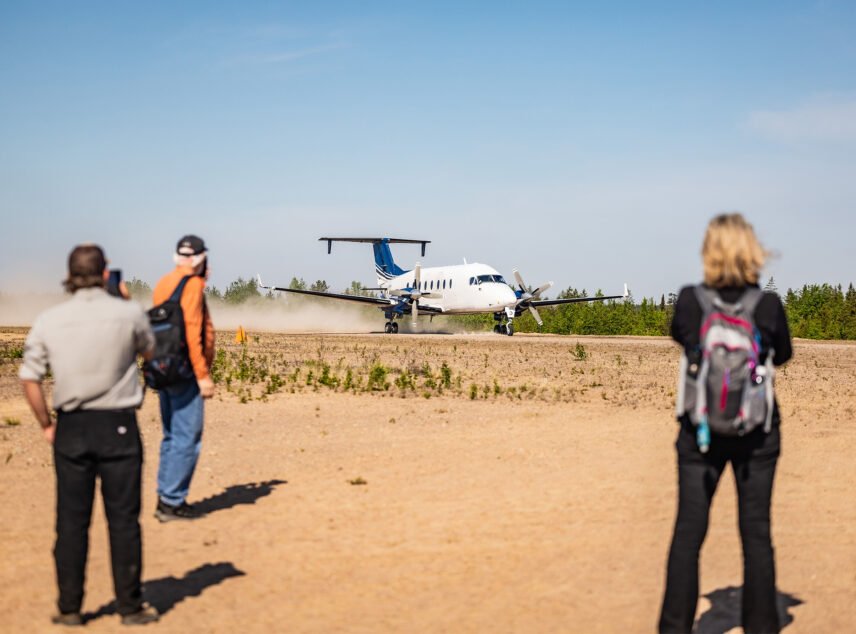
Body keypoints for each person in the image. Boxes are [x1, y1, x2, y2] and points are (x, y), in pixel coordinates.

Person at [659, 214, 792, 634]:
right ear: (753, 252)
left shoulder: (689, 300)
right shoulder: (768, 306)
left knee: (688, 534)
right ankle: (762, 626)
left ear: (708, 252)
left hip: (699, 433)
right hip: (758, 434)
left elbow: (680, 336)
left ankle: (674, 627)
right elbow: (783, 354)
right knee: (756, 534)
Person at [19, 244, 159, 626]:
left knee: (71, 522)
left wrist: (46, 424)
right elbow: (151, 353)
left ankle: (70, 608)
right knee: (124, 521)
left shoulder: (49, 319)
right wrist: (126, 304)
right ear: (105, 274)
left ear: (68, 276)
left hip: (72, 428)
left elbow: (30, 379)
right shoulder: (128, 313)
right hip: (118, 426)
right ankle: (130, 607)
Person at [152, 235, 215, 522]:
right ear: (200, 258)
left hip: (164, 367)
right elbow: (191, 331)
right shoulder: (192, 286)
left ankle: (165, 495)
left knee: (171, 435)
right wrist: (202, 374)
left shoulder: (164, 282)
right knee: (187, 438)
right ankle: (172, 501)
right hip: (185, 371)